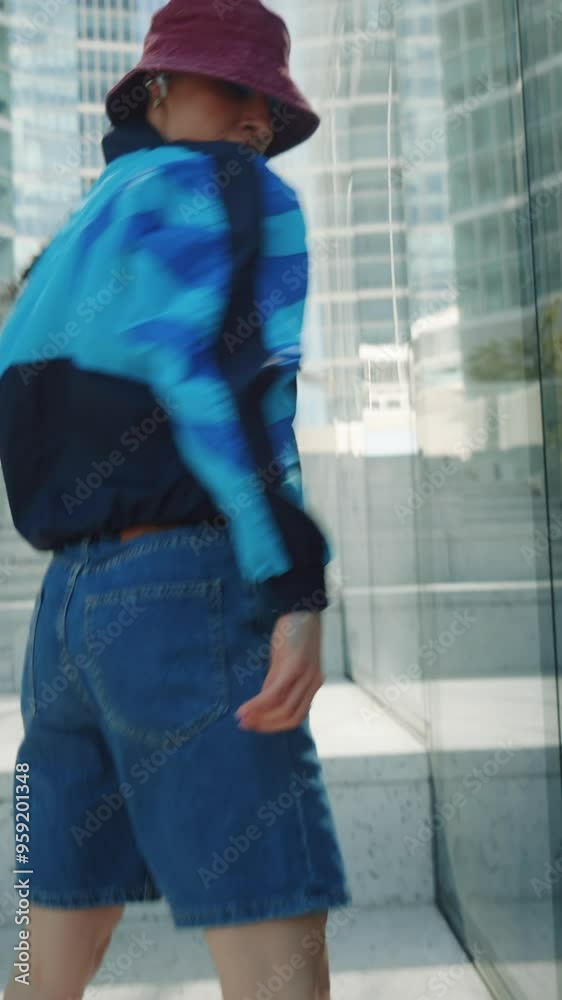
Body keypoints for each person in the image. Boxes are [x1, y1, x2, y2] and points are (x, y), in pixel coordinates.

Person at [0, 2, 350, 998]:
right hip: (187, 598)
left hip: (64, 625)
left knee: (39, 965)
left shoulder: (74, 238)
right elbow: (229, 392)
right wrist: (294, 586)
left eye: (269, 106)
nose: (255, 119)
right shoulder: (232, 189)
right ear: (154, 89)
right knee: (278, 961)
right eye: (233, 85)